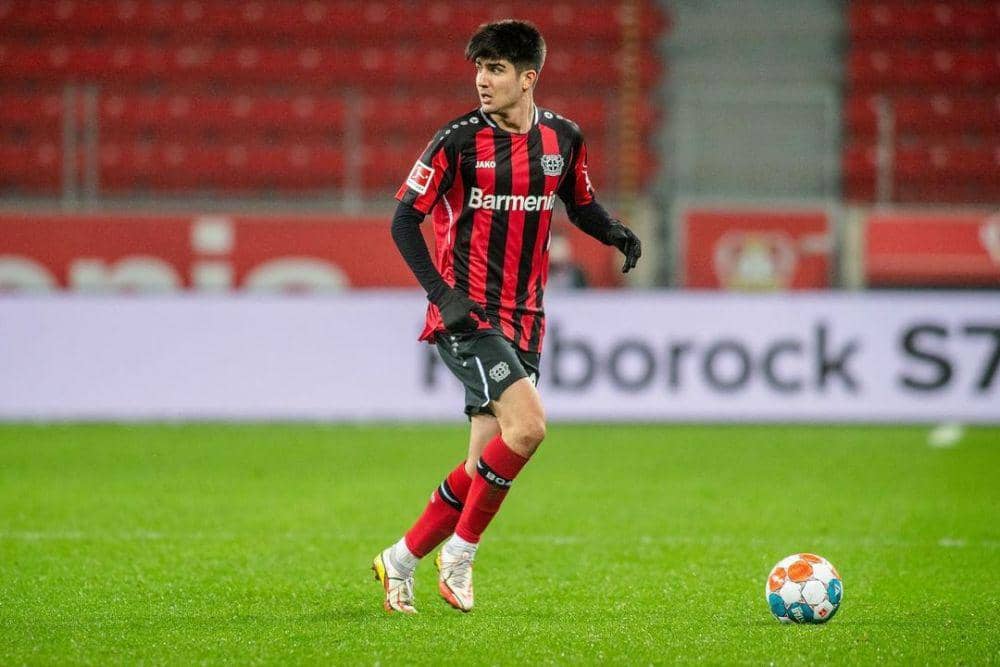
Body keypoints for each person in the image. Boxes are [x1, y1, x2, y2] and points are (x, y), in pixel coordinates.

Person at [374, 19, 641, 614]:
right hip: (468, 316)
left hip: (528, 317)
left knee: (481, 464)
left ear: (529, 78)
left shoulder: (563, 139)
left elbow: (581, 202)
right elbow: (402, 220)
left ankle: (399, 560)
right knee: (529, 429)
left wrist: (616, 232)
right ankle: (460, 555)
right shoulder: (457, 141)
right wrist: (443, 297)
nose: (482, 80)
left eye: (495, 69)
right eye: (479, 68)